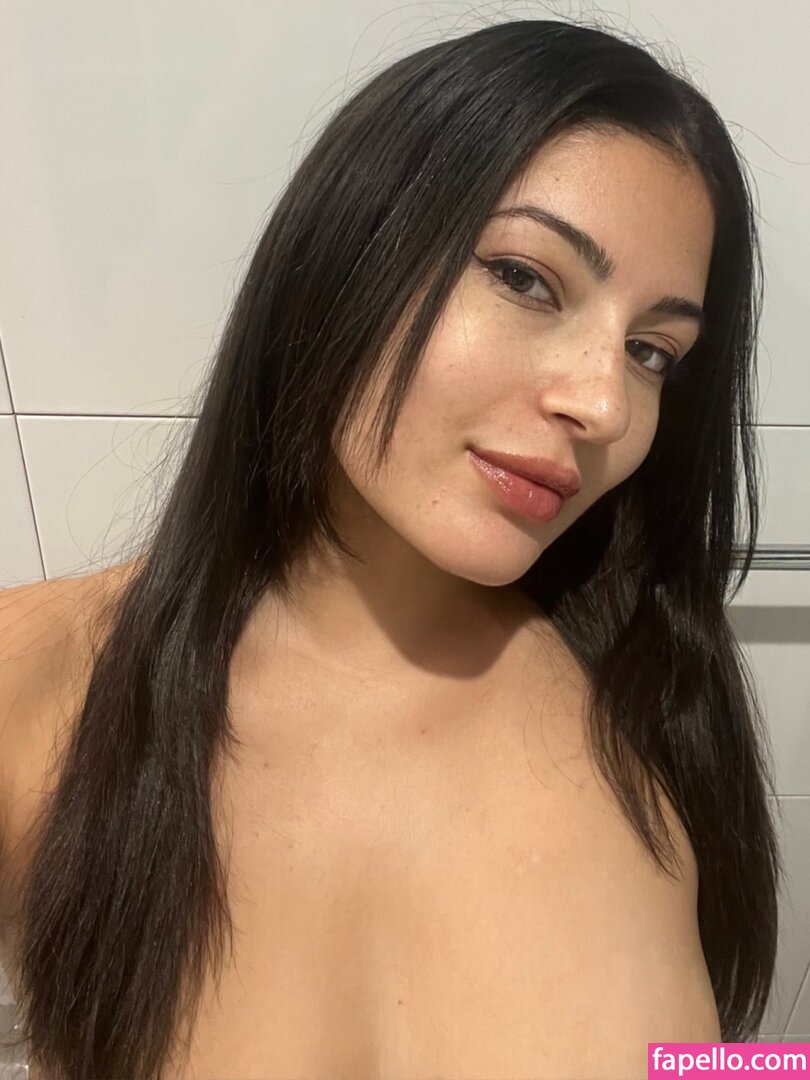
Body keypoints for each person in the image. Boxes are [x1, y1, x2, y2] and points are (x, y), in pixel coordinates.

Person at [0, 14, 780, 1080]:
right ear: (346, 252)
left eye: (653, 352)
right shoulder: (39, 682)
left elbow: (728, 1065)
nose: (605, 403)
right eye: (527, 279)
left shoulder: (658, 710)